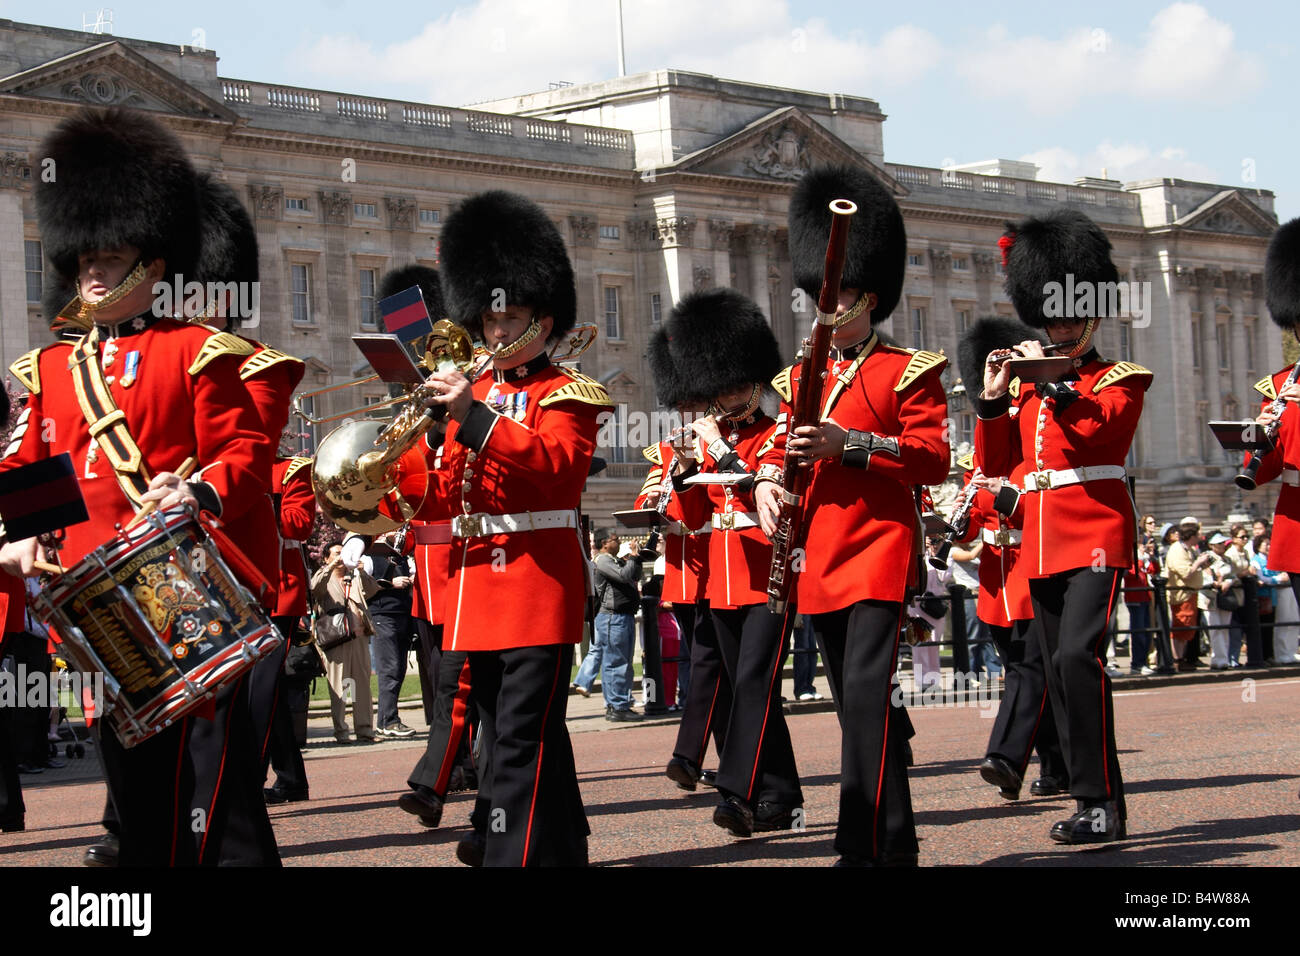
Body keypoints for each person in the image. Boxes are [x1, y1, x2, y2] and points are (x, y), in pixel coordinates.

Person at [0, 107, 277, 866]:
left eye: (110, 254)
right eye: (83, 255)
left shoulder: (196, 351)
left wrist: (199, 495)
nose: (91, 268)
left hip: (182, 588)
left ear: (151, 265)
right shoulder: (51, 369)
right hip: (95, 600)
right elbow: (30, 470)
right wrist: (18, 539)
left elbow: (244, 454)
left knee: (210, 782)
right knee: (135, 778)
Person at [755, 165, 950, 866]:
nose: (822, 304)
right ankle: (894, 841)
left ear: (866, 296)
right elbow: (778, 458)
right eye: (815, 293)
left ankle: (861, 842)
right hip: (819, 557)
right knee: (855, 705)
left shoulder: (909, 370)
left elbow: (931, 459)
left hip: (878, 547)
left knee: (867, 698)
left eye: (833, 292)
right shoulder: (793, 378)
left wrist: (853, 446)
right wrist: (765, 490)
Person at [420, 190, 610, 867]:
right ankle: (560, 851)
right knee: (514, 734)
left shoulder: (567, 396)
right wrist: (414, 453)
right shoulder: (481, 397)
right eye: (488, 320)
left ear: (543, 319)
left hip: (534, 589)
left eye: (510, 318)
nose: (495, 332)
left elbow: (554, 468)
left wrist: (473, 420)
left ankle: (511, 857)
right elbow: (446, 497)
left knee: (517, 745)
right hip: (477, 590)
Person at [976, 209, 1152, 844]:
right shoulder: (1026, 387)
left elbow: (1100, 435)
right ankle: (1096, 805)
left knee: (1079, 658)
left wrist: (1051, 385)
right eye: (1050, 318)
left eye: (1071, 317)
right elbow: (997, 466)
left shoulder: (1121, 378)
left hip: (1097, 533)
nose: (1059, 327)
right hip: (1040, 541)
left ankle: (1099, 800)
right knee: (1055, 671)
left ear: (1094, 316)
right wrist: (994, 398)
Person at [652, 287, 802, 839]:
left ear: (756, 380)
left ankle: (737, 792)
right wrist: (683, 468)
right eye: (722, 384)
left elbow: (769, 490)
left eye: (739, 382)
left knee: (757, 683)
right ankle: (782, 796)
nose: (731, 393)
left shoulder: (779, 431)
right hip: (721, 578)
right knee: (745, 687)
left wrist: (714, 449)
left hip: (768, 574)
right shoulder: (712, 435)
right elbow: (691, 513)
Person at [958, 319, 1068, 802]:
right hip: (995, 574)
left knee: (1030, 667)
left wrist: (1007, 502)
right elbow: (985, 475)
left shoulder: (1044, 449)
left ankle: (1007, 757)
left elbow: (1054, 502)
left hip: (1033, 559)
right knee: (1025, 668)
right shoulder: (993, 448)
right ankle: (1057, 763)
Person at [263, 455, 313, 803]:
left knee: (264, 686)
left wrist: (258, 504)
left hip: (280, 588)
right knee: (266, 691)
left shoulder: (292, 469)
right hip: (239, 588)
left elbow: (299, 524)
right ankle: (291, 777)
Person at [311, 543, 379, 744]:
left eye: (344, 553)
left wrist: (360, 570)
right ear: (326, 558)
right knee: (340, 686)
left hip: (358, 638)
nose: (342, 557)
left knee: (360, 686)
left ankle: (364, 729)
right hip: (336, 640)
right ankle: (341, 731)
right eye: (337, 553)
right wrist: (331, 567)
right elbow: (314, 587)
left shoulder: (354, 577)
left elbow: (373, 590)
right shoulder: (325, 578)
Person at [358, 531, 417, 737]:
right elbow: (362, 586)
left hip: (402, 613)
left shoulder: (401, 555)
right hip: (383, 614)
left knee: (398, 669)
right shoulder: (369, 556)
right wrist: (392, 583)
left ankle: (389, 719)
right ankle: (388, 721)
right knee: (389, 668)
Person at [590, 531, 648, 721]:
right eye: (615, 540)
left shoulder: (614, 560)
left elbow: (633, 576)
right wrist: (631, 555)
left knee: (620, 662)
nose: (619, 542)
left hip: (621, 617)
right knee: (617, 663)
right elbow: (624, 577)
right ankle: (618, 706)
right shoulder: (603, 560)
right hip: (612, 618)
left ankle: (616, 704)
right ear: (605, 544)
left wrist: (636, 558)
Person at [1165, 518, 1212, 668]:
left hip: (1190, 593)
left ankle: (1181, 657)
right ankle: (1177, 659)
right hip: (1181, 594)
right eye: (1198, 534)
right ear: (1191, 536)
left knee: (1187, 628)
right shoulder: (1177, 550)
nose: (1200, 538)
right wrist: (1198, 563)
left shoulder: (1189, 549)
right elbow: (1185, 573)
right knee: (1181, 626)